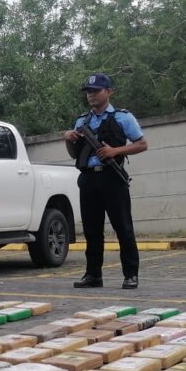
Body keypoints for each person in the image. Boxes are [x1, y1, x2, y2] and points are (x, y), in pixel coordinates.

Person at [63, 73, 148, 289]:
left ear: (109, 92)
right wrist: (68, 139)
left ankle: (130, 274)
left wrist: (115, 151)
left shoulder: (122, 117)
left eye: (96, 91)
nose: (91, 95)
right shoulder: (82, 121)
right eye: (88, 92)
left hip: (112, 177)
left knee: (123, 227)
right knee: (91, 230)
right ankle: (93, 275)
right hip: (89, 178)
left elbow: (142, 144)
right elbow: (74, 154)